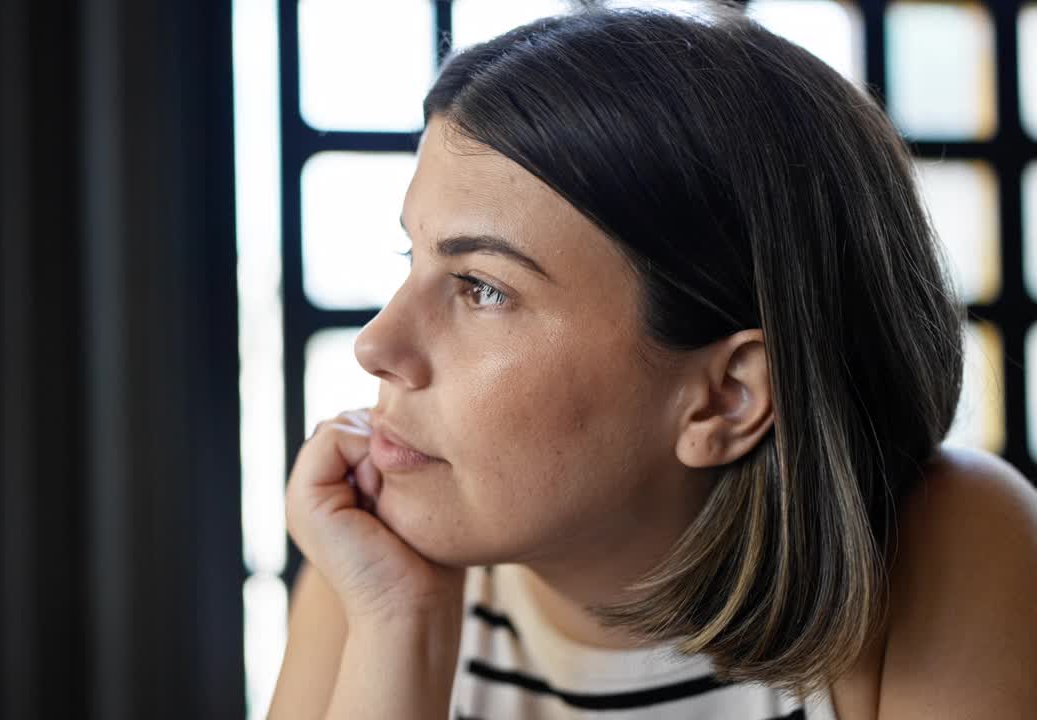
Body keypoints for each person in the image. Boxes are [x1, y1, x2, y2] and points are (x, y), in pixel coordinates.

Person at [268, 4, 1037, 718]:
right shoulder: (372, 565)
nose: (378, 345)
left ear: (726, 400)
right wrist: (400, 628)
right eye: (414, 258)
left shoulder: (949, 547)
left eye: (482, 288)